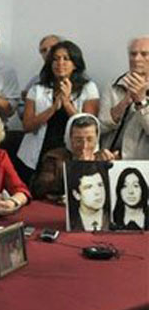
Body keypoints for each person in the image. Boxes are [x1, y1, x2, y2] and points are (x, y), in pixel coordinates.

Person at [17, 41, 100, 182]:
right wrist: (53, 108)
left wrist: (67, 103)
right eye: (55, 59)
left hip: (71, 153)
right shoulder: (37, 88)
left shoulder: (88, 88)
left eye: (66, 59)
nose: (60, 63)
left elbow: (88, 127)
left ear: (75, 64)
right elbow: (27, 126)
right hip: (35, 153)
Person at [30, 113, 117, 203]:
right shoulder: (54, 159)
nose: (84, 146)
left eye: (90, 139)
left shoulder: (103, 159)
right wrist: (76, 168)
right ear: (69, 139)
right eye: (78, 140)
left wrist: (113, 169)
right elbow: (39, 191)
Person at [99, 35, 149, 159]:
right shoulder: (113, 87)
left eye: (144, 54)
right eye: (133, 54)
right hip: (112, 161)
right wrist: (124, 103)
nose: (137, 59)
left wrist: (141, 102)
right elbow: (100, 127)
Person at [18, 34, 61, 119]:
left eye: (52, 48)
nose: (48, 52)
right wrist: (30, 104)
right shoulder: (35, 81)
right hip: (38, 128)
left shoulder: (78, 80)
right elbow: (21, 112)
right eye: (44, 50)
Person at [67, 162, 110, 231]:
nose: (97, 192)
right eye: (89, 187)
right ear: (76, 194)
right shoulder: (70, 222)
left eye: (100, 185)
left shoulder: (114, 219)